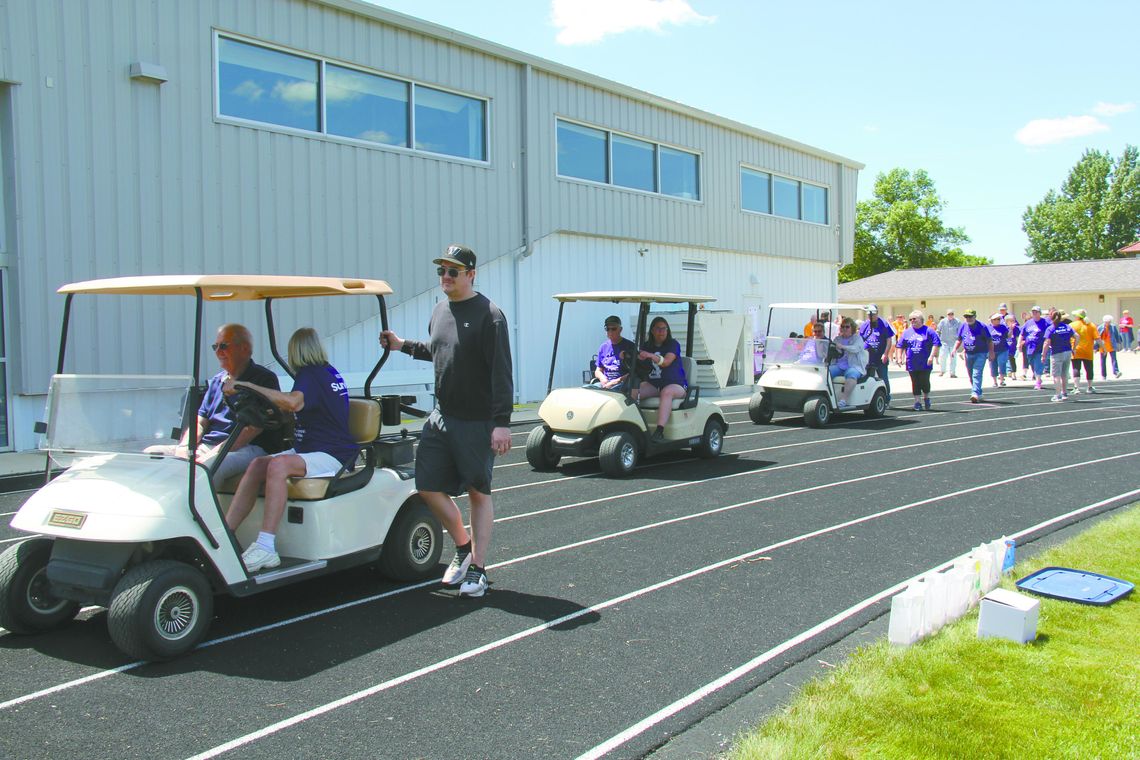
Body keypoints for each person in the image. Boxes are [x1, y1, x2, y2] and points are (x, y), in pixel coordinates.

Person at [380, 245, 512, 599]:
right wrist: (402, 345)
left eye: (453, 271)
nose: (446, 277)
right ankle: (463, 547)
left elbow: (502, 372)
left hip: (477, 421)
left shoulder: (490, 315)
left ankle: (479, 569)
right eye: (442, 271)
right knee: (427, 486)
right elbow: (437, 350)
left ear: (471, 274)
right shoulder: (440, 310)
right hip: (441, 418)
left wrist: (501, 423)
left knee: (477, 492)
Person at [223, 328, 358, 572]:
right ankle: (224, 536)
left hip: (333, 454)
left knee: (277, 465)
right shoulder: (324, 372)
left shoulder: (311, 374)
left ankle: (265, 546)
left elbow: (293, 402)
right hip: (313, 449)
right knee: (257, 465)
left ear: (296, 351)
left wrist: (246, 385)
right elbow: (298, 408)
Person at [144, 323, 281, 488]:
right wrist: (185, 447)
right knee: (151, 455)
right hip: (211, 446)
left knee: (206, 468)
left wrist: (213, 453)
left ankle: (200, 512)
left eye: (224, 346)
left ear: (244, 349)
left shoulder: (263, 379)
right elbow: (201, 420)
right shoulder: (217, 381)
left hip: (247, 448)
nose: (218, 352)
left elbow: (252, 429)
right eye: (215, 346)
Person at [637, 316, 688, 442]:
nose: (661, 331)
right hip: (655, 384)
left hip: (676, 385)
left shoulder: (673, 344)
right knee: (634, 391)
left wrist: (650, 355)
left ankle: (659, 431)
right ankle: (635, 426)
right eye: (658, 329)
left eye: (664, 328)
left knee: (666, 392)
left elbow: (666, 362)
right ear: (652, 331)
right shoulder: (647, 346)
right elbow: (640, 365)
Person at [897, 310, 941, 411]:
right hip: (912, 362)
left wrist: (931, 356)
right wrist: (899, 357)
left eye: (914, 319)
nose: (912, 321)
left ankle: (926, 398)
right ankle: (917, 402)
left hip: (925, 362)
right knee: (915, 382)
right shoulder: (907, 332)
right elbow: (900, 345)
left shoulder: (929, 331)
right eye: (910, 319)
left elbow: (936, 344)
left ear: (921, 320)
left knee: (924, 382)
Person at [953, 309, 995, 403]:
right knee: (971, 375)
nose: (968, 318)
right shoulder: (963, 326)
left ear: (975, 316)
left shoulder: (982, 326)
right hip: (968, 354)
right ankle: (978, 392)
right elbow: (959, 339)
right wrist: (954, 349)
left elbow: (989, 340)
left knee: (977, 373)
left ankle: (975, 393)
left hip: (980, 353)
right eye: (966, 317)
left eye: (970, 316)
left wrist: (991, 352)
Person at [859, 304, 894, 405]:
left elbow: (888, 339)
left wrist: (886, 354)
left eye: (873, 314)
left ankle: (886, 397)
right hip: (868, 358)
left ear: (877, 313)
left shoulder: (884, 323)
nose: (871, 316)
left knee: (883, 377)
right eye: (869, 315)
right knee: (868, 379)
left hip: (880, 357)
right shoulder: (865, 325)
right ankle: (869, 399)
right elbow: (860, 339)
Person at [591, 315, 637, 391]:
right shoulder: (603, 347)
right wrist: (603, 379)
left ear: (620, 329)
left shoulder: (630, 346)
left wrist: (614, 382)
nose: (610, 331)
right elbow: (598, 370)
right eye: (607, 329)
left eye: (613, 329)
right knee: (587, 389)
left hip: (623, 384)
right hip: (605, 384)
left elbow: (634, 372)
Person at [831, 317, 866, 408]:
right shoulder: (837, 339)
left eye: (847, 327)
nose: (844, 329)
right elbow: (833, 348)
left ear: (852, 328)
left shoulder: (857, 338)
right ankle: (828, 397)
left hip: (854, 365)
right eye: (842, 326)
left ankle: (843, 400)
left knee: (851, 373)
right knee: (827, 372)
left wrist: (843, 347)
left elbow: (856, 348)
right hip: (839, 365)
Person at [1040, 311, 1075, 402]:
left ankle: (1058, 395)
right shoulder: (1067, 326)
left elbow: (1046, 342)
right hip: (1067, 351)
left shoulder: (1051, 328)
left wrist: (1043, 355)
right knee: (1065, 374)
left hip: (1057, 353)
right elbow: (1077, 336)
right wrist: (1074, 348)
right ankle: (1064, 393)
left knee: (1056, 375)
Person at [1019, 306, 1049, 390]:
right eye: (1033, 312)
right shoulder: (1028, 323)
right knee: (1032, 364)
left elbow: (1050, 332)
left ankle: (1038, 381)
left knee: (1038, 364)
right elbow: (1022, 333)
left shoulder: (1045, 322)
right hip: (1029, 348)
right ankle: (1038, 377)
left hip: (1040, 347)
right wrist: (1019, 344)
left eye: (1036, 312)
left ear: (1040, 313)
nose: (1034, 314)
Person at [1069, 308, 1098, 395]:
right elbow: (1097, 338)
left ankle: (1076, 387)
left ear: (1078, 317)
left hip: (1076, 349)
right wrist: (1102, 347)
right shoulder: (1091, 325)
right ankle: (1089, 387)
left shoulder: (1072, 325)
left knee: (1076, 368)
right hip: (1088, 350)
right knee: (1089, 368)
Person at [936, 310, 961, 377]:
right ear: (947, 315)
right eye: (949, 314)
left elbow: (960, 332)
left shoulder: (957, 321)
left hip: (954, 343)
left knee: (953, 358)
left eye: (952, 314)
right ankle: (942, 371)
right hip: (944, 342)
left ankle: (952, 373)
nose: (950, 315)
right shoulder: (943, 321)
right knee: (942, 357)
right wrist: (937, 340)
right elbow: (938, 330)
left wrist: (959, 340)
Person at [986, 313, 1009, 388]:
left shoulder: (1003, 327)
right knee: (993, 365)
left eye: (999, 319)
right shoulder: (988, 328)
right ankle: (995, 382)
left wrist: (1011, 329)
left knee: (1002, 363)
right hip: (992, 350)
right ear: (992, 320)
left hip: (1002, 349)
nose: (998, 321)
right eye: (996, 319)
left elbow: (1008, 336)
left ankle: (1002, 380)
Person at [1099, 315, 1122, 380]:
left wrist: (1118, 343)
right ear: (1104, 321)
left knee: (1114, 359)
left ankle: (1116, 372)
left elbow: (1116, 335)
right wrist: (1096, 347)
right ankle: (1103, 375)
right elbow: (1097, 337)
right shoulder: (1100, 327)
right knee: (1103, 361)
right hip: (1103, 347)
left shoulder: (1113, 326)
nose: (1108, 323)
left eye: (1109, 322)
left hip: (1112, 345)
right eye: (1107, 322)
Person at [1003, 314, 1021, 379]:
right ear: (1007, 322)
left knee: (1012, 360)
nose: (1013, 322)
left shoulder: (1016, 328)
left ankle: (1013, 373)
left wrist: (1019, 345)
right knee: (1003, 360)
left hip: (1012, 347)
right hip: (1005, 347)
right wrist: (1010, 329)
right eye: (1010, 321)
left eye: (1013, 321)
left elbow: (1020, 336)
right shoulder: (1004, 328)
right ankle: (1004, 373)